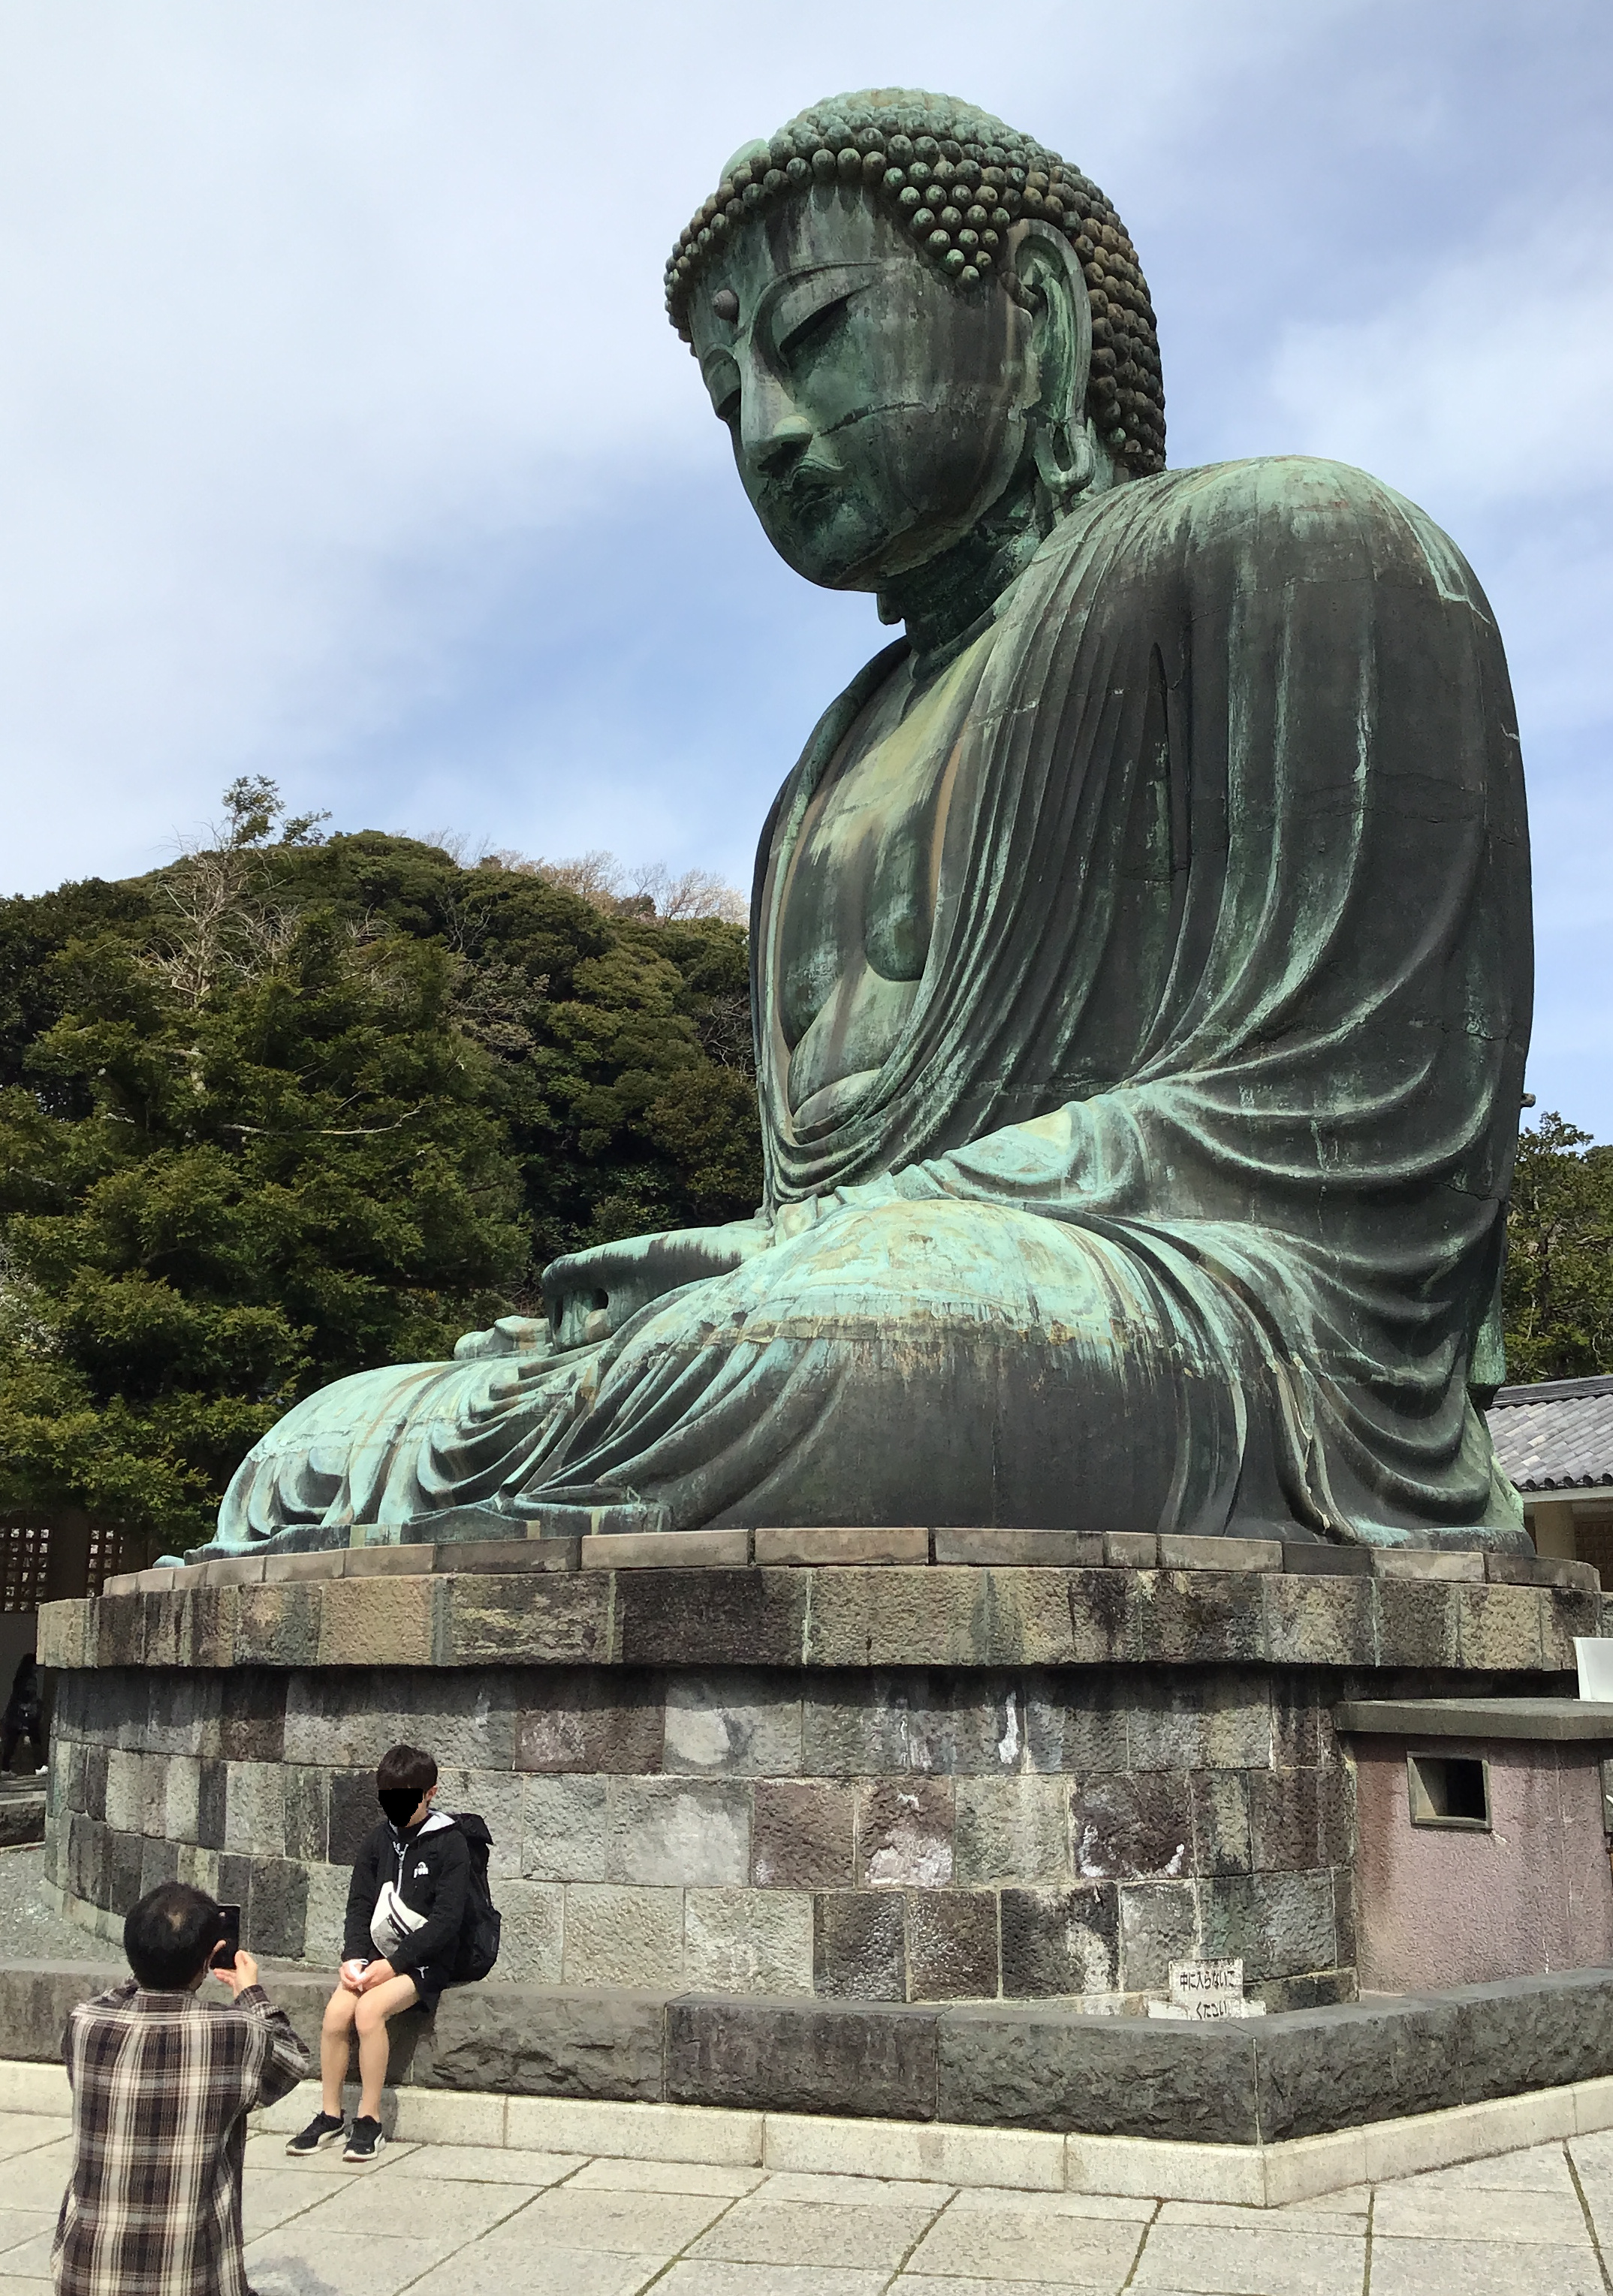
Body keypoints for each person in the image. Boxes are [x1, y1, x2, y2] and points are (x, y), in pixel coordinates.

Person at [204, 87, 1531, 1556]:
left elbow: (1344, 1119)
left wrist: (836, 1248)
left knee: (810, 1348)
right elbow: (802, 1212)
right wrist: (781, 1257)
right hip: (864, 1301)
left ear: (1032, 312)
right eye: (728, 402)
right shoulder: (825, 765)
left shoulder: (1293, 549)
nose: (768, 433)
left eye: (816, 337)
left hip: (1222, 1323)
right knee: (315, 1446)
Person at [53, 1881, 309, 2296]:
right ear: (209, 1960)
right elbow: (292, 2059)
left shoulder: (85, 2024)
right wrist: (250, 1993)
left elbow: (117, 1997)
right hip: (192, 2276)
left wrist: (153, 1964)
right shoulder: (233, 2033)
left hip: (86, 2271)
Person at [287, 1742, 468, 2164]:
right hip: (376, 1956)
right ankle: (331, 2114)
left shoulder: (450, 1843)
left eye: (407, 1797)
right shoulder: (377, 1840)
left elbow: (447, 1921)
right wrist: (353, 1957)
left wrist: (396, 1965)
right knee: (336, 2015)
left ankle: (369, 2120)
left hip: (424, 1961)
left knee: (369, 2013)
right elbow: (359, 1905)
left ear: (430, 1793)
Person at [2, 1650, 44, 1773]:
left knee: (13, 1742)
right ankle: (39, 1766)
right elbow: (27, 1696)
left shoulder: (20, 1678)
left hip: (17, 1715)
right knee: (32, 1740)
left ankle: (5, 1768)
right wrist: (36, 1703)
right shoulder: (30, 1679)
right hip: (24, 1716)